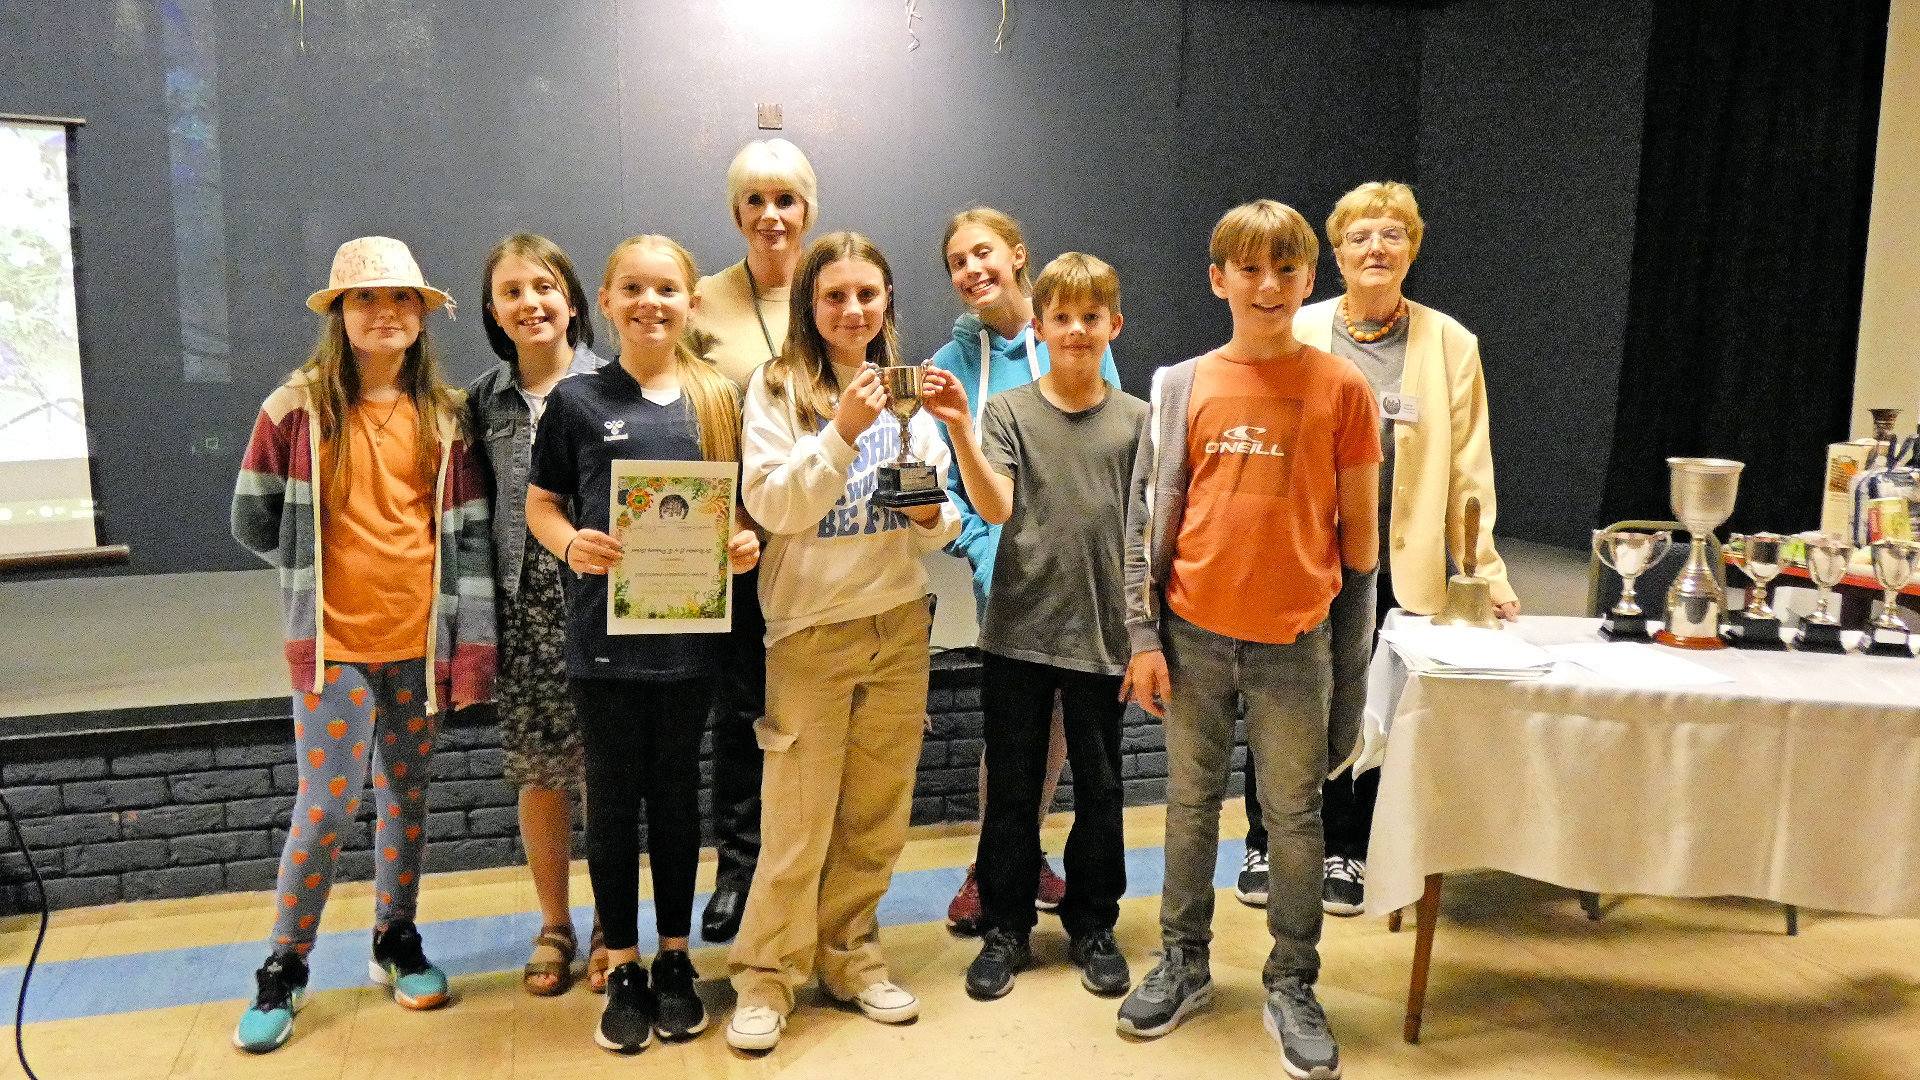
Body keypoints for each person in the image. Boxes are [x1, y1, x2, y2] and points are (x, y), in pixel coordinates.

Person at [1117, 201, 1380, 1080]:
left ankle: (1293, 982)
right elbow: (1146, 518)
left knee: (1295, 816)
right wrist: (1143, 635)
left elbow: (1362, 546)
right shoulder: (1179, 384)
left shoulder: (1344, 390)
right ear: (1218, 278)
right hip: (1191, 637)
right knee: (1188, 808)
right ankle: (1184, 962)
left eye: (1287, 271)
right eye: (1250, 269)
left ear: (1311, 280)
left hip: (1293, 646)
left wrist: (1353, 672)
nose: (1269, 287)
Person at [230, 237, 495, 1053]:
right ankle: (286, 962)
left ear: (421, 315)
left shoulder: (448, 416)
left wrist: (468, 645)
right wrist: (315, 572)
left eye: (402, 300)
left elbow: (472, 536)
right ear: (339, 315)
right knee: (330, 802)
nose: (385, 314)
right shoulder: (295, 410)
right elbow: (253, 518)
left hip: (419, 648)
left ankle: (395, 938)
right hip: (335, 646)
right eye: (365, 300)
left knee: (406, 799)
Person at [1235, 182, 1519, 920]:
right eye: (1360, 236)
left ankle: (1347, 848)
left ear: (1413, 250)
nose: (1376, 249)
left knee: (1365, 708)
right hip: (1299, 553)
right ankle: (1265, 838)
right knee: (1280, 696)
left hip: (1398, 565)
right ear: (1335, 252)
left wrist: (1484, 572)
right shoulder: (1297, 324)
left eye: (1393, 235)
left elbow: (1470, 469)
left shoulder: (1451, 344)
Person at [725, 232, 961, 1051]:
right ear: (810, 305)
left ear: (888, 300)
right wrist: (840, 432)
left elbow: (939, 521)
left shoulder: (910, 390)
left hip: (898, 624)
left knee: (874, 816)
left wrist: (934, 513)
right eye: (835, 296)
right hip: (809, 633)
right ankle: (764, 974)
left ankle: (850, 955)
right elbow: (775, 506)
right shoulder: (775, 387)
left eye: (869, 293)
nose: (853, 309)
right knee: (796, 822)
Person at [525, 235, 760, 1052]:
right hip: (604, 641)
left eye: (667, 288)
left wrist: (742, 543)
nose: (651, 302)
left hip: (692, 638)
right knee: (615, 799)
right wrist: (568, 546)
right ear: (609, 298)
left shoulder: (719, 397)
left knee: (677, 795)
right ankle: (620, 961)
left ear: (691, 302)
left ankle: (672, 958)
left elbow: (739, 510)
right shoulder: (578, 400)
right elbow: (542, 504)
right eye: (634, 288)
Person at [924, 252, 1143, 1001]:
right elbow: (992, 505)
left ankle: (1092, 923)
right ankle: (1006, 928)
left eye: (1091, 317)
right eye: (1062, 318)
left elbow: (1148, 533)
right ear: (1040, 329)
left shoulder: (1138, 421)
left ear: (1113, 326)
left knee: (1103, 788)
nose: (1077, 330)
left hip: (1104, 638)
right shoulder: (1008, 413)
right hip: (1017, 634)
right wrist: (958, 430)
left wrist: (1149, 633)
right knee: (1013, 789)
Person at [466, 233, 609, 996]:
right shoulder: (479, 402)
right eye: (513, 291)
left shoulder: (610, 386)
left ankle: (611, 928)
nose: (531, 303)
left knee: (607, 775)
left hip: (601, 604)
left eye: (544, 286)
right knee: (541, 775)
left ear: (573, 299)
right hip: (523, 608)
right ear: (494, 310)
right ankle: (554, 923)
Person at [689, 137, 819, 943]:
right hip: (733, 545)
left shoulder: (835, 291)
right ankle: (738, 869)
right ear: (735, 212)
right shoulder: (699, 303)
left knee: (812, 710)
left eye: (786, 200)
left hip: (817, 543)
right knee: (739, 712)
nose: (771, 216)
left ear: (809, 209)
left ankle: (808, 868)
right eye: (755, 201)